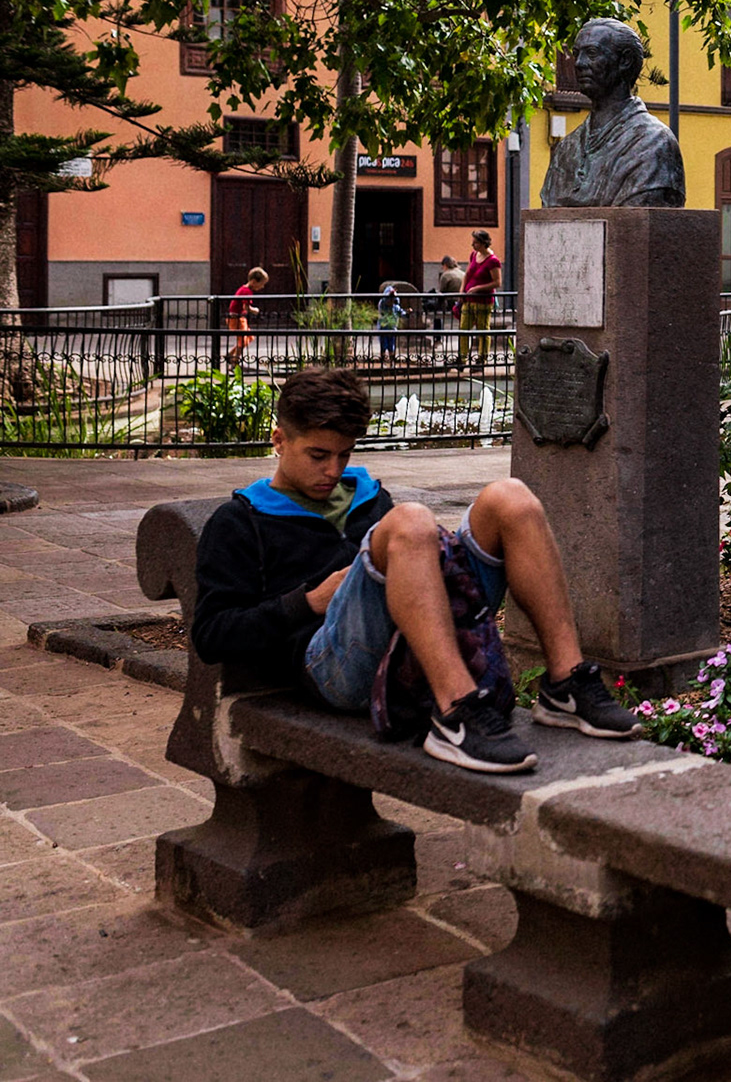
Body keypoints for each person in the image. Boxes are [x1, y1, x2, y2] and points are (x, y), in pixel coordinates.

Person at [192, 366, 641, 774]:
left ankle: (565, 684)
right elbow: (212, 635)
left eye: (345, 454)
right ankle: (456, 712)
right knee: (410, 520)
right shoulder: (239, 522)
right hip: (335, 668)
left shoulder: (367, 496)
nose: (333, 469)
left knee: (512, 499)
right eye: (317, 455)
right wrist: (306, 601)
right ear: (278, 440)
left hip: (415, 646)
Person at [540, 18, 687, 208]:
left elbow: (639, 222)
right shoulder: (566, 149)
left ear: (624, 61)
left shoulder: (655, 143)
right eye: (576, 54)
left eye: (591, 53)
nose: (579, 63)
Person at [459, 231, 502, 366]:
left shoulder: (493, 261)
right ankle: (462, 357)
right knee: (463, 328)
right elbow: (467, 274)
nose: (473, 245)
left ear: (484, 243)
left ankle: (482, 358)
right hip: (469, 300)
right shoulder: (474, 255)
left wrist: (478, 288)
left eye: (476, 242)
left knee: (483, 330)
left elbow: (497, 282)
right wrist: (462, 290)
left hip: (483, 301)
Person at [226, 267, 267, 369]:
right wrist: (255, 310)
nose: (262, 287)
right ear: (254, 281)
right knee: (242, 340)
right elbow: (246, 307)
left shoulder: (244, 289)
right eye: (261, 284)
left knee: (249, 337)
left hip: (238, 317)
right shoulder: (247, 291)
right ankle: (234, 364)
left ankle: (230, 355)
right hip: (237, 318)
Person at [376, 285, 406, 364]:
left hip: (392, 329)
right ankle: (383, 361)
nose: (391, 301)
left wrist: (407, 312)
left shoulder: (395, 307)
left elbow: (401, 313)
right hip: (383, 329)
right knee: (383, 346)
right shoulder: (382, 305)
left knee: (391, 346)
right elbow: (382, 302)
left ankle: (392, 361)